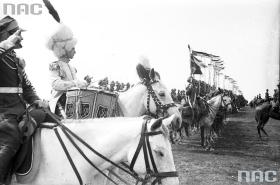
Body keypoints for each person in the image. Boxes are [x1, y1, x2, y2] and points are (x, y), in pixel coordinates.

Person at [0, 16, 55, 184]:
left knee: (50, 116)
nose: (21, 37)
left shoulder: (15, 60)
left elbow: (27, 88)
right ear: (4, 34)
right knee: (12, 137)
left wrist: (37, 100)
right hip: (4, 114)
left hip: (20, 111)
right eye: (16, 32)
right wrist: (7, 44)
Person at [47, 25, 88, 117]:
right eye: (73, 48)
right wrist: (76, 83)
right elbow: (55, 85)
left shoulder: (72, 68)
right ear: (64, 49)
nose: (75, 51)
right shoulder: (55, 65)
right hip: (60, 103)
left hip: (73, 102)